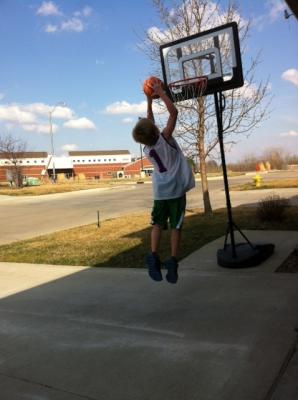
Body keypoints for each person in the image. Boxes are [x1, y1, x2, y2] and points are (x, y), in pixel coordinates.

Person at [132, 80, 195, 284]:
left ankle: (153, 254)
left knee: (158, 224)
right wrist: (160, 92)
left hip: (160, 192)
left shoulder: (147, 148)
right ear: (155, 130)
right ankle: (173, 260)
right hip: (176, 190)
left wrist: (149, 100)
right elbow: (173, 113)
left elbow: (149, 122)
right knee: (176, 227)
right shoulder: (165, 138)